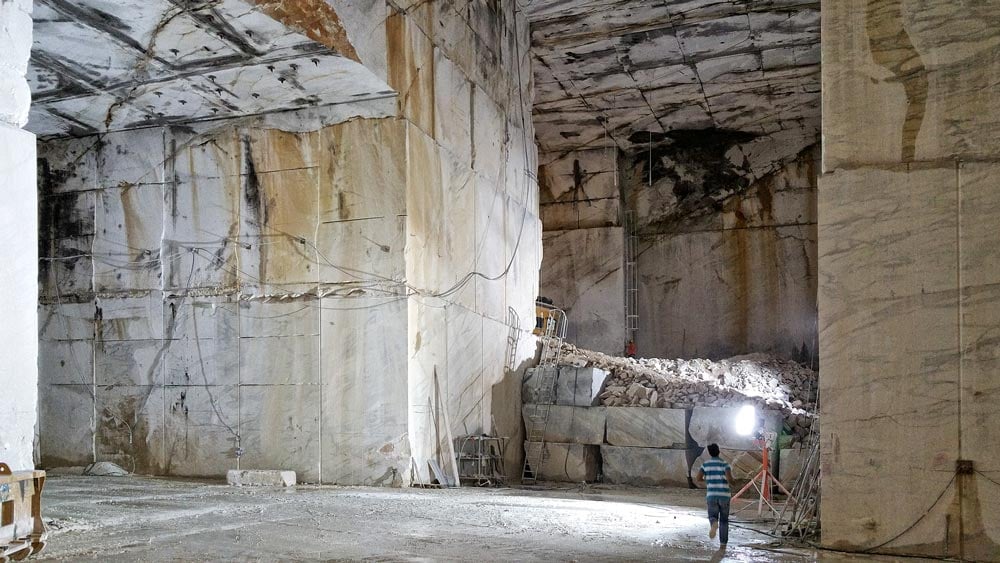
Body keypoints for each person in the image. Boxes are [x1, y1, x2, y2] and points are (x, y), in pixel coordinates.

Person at [696, 443, 733, 547]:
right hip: (724, 495)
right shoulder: (725, 464)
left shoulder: (705, 465)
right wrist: (734, 483)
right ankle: (723, 544)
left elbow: (698, 479)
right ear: (719, 451)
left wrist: (708, 483)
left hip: (711, 495)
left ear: (709, 453)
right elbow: (729, 479)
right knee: (724, 520)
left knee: (712, 516)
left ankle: (713, 523)